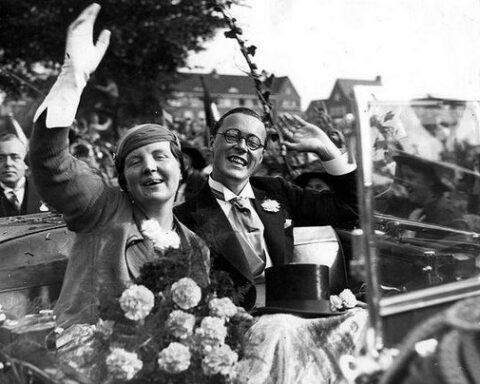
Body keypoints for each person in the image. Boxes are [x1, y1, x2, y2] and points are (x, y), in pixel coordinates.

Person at [29, 4, 209, 328]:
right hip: (86, 361)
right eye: (135, 161)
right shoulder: (103, 207)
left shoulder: (195, 246)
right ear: (123, 178)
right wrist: (73, 80)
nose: (150, 167)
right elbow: (51, 163)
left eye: (160, 157)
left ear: (182, 170)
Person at [174, 107, 358, 309]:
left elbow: (351, 208)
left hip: (292, 312)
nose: (242, 147)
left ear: (260, 157)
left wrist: (326, 149)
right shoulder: (183, 216)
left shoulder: (277, 191)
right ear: (211, 142)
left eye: (253, 142)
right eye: (232, 136)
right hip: (234, 324)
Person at [0, 133, 45, 217]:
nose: (8, 163)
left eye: (15, 157)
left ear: (26, 161)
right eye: (1, 159)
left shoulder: (46, 192)